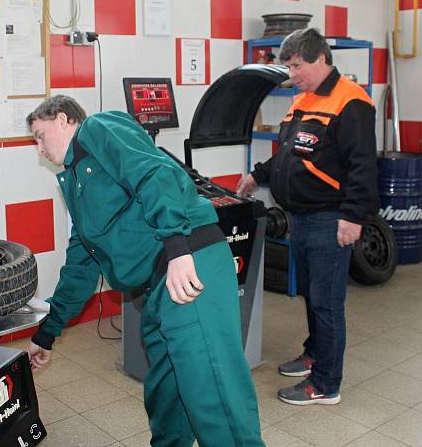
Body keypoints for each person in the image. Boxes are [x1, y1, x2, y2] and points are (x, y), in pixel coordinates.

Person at [25, 96, 264, 447]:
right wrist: (46, 333)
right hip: (157, 287)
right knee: (167, 396)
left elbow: (154, 173)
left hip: (188, 265)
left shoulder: (98, 128)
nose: (39, 149)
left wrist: (177, 248)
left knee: (212, 392)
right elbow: (80, 265)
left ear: (63, 120)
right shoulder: (76, 186)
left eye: (39, 136)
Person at [237, 27, 379, 405]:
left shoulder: (352, 102)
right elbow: (289, 153)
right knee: (312, 297)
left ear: (321, 58)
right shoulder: (302, 98)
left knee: (327, 302)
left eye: (297, 66)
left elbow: (363, 167)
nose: (291, 74)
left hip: (330, 219)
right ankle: (315, 354)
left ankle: (326, 383)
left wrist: (353, 217)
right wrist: (258, 175)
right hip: (300, 217)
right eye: (288, 66)